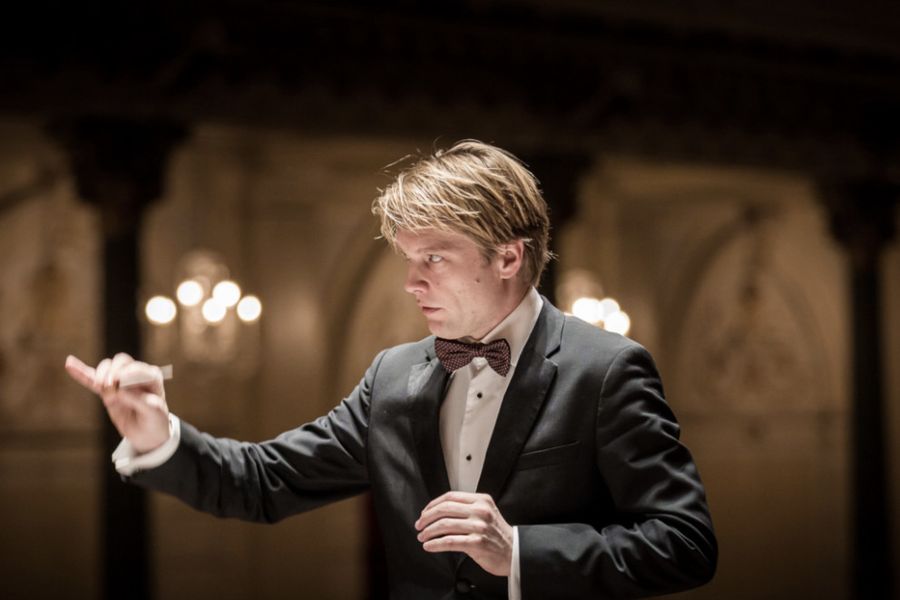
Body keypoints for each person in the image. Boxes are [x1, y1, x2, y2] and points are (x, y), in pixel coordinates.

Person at [65, 140, 717, 599]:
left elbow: (685, 543)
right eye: (408, 258)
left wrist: (516, 552)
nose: (411, 282)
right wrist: (155, 432)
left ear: (510, 258)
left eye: (433, 257)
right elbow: (261, 484)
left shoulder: (608, 369)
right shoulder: (394, 375)